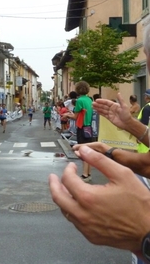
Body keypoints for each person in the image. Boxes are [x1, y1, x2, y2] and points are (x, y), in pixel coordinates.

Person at [48, 23, 150, 262]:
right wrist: (116, 141)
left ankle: (86, 172)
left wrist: (143, 236)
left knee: (84, 149)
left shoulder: (81, 101)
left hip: (83, 128)